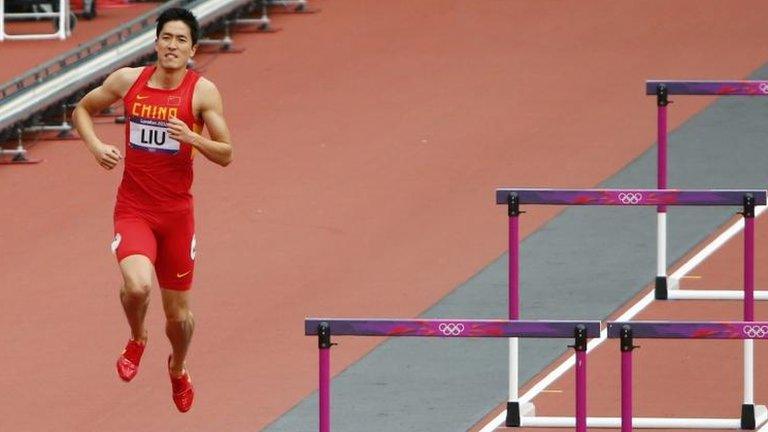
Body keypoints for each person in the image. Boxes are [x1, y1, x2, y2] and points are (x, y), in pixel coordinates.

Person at [72, 7, 233, 413]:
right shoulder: (130, 81)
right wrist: (95, 147)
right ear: (156, 42)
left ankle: (178, 367)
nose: (172, 45)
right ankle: (137, 338)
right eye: (166, 38)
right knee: (138, 286)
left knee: (179, 318)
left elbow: (227, 152)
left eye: (181, 40)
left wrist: (193, 139)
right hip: (135, 209)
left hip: (177, 216)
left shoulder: (202, 93)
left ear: (193, 48)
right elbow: (81, 110)